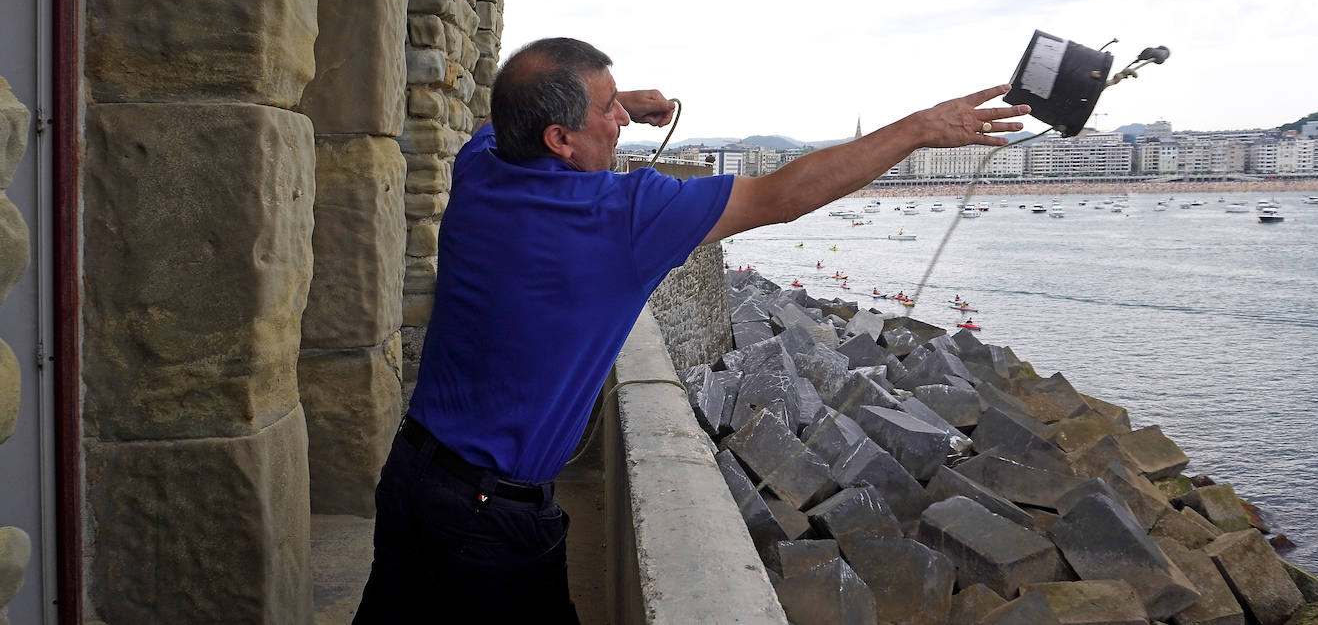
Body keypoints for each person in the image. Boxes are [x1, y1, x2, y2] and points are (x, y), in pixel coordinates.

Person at [353, 37, 1027, 623]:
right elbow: (781, 196)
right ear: (558, 138)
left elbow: (507, 112)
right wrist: (917, 128)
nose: (622, 121)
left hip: (415, 475)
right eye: (607, 111)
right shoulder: (619, 216)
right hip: (487, 521)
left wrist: (619, 98)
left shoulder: (481, 167)